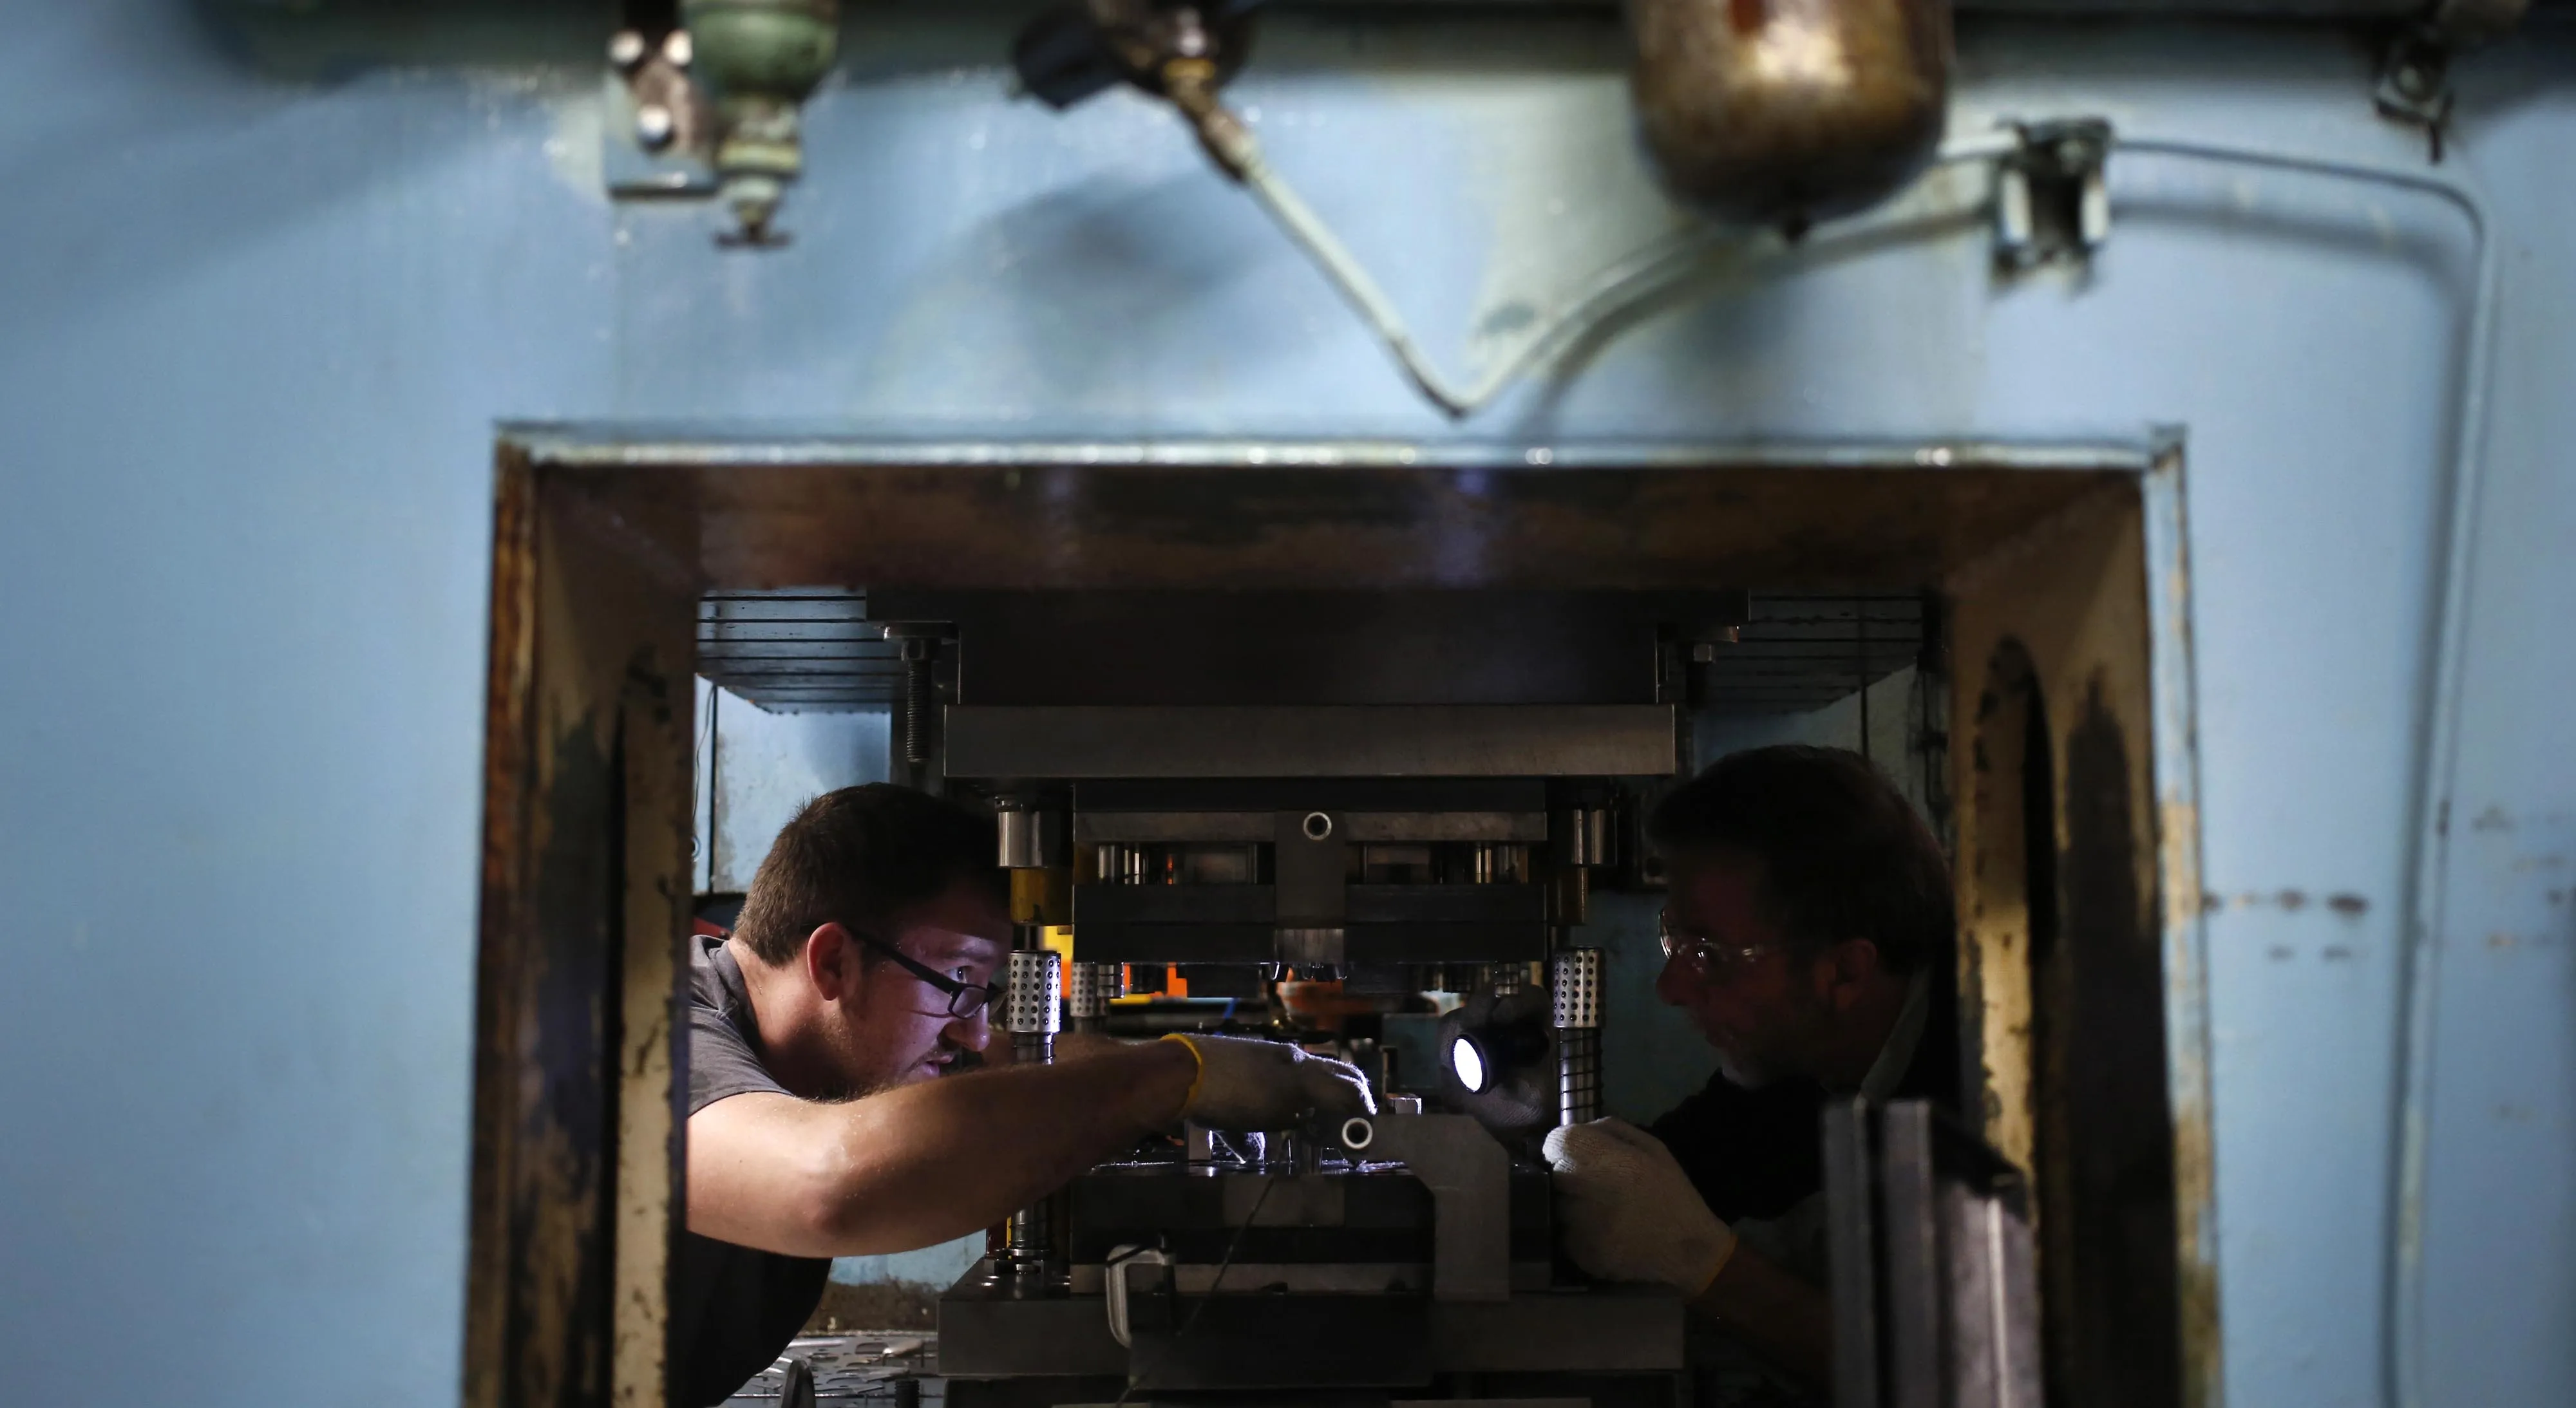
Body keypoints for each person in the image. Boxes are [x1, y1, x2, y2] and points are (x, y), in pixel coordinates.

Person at [681, 784, 1373, 1405]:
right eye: (958, 978)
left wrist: (1220, 1080)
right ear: (833, 961)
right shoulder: (657, 1031)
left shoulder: (820, 1051)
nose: (978, 1031)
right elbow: (825, 1185)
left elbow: (1012, 1076)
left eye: (987, 994)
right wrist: (1172, 1075)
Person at [1543, 746, 1959, 1393]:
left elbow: (1962, 1380)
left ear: (1844, 971)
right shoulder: (1798, 1062)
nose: (1670, 987)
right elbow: (1646, 1190)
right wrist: (1510, 1122)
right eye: (1672, 940)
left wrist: (1706, 1267)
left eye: (1706, 953)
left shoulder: (2011, 1085)